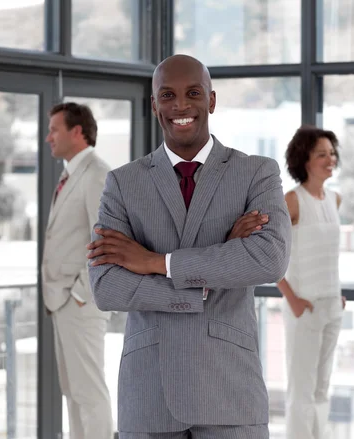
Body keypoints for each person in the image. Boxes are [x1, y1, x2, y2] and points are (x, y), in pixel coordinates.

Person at [86, 54, 291, 439]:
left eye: (193, 93)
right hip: (149, 394)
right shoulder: (123, 183)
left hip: (230, 391)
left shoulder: (256, 173)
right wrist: (218, 266)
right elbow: (105, 287)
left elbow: (269, 259)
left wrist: (154, 261)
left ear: (211, 100)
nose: (180, 105)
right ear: (154, 105)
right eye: (168, 95)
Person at [41, 102, 113, 439]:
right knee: (73, 394)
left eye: (54, 129)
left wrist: (81, 295)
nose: (48, 137)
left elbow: (107, 240)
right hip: (63, 301)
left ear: (77, 132)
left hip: (80, 301)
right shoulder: (70, 173)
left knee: (89, 394)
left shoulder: (96, 173)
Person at [277, 126, 346, 439]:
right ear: (305, 159)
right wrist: (291, 299)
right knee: (302, 392)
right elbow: (268, 255)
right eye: (322, 154)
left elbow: (329, 254)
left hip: (332, 306)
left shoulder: (335, 199)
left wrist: (339, 294)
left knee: (322, 390)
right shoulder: (292, 201)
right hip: (303, 308)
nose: (330, 159)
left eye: (331, 153)